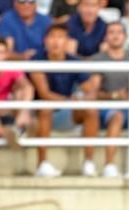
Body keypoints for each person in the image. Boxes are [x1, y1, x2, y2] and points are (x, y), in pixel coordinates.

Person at [30, 23, 99, 177]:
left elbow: (90, 90)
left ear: (67, 41)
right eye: (52, 37)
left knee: (91, 111)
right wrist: (70, 100)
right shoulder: (37, 59)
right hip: (41, 114)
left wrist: (82, 98)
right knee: (45, 108)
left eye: (60, 37)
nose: (56, 41)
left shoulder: (73, 61)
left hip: (67, 111)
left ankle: (88, 163)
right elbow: (45, 94)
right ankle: (42, 164)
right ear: (45, 40)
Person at [89, 21, 129, 177]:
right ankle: (109, 165)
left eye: (119, 32)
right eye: (111, 32)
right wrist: (116, 95)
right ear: (106, 37)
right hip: (105, 108)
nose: (115, 36)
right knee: (117, 116)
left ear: (125, 36)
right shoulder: (98, 59)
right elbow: (93, 93)